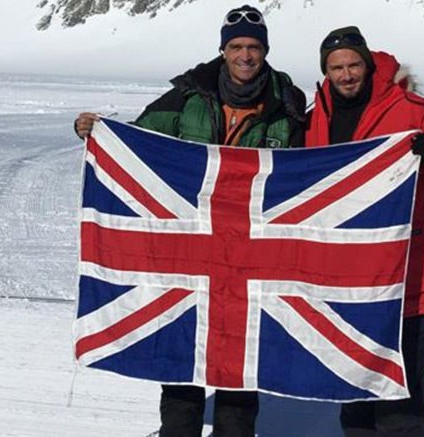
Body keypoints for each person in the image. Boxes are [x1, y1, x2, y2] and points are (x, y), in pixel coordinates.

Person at [74, 5, 306, 437]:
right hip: (191, 250)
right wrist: (99, 133)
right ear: (223, 49)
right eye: (236, 46)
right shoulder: (189, 95)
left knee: (241, 364)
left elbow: (308, 170)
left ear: (266, 50)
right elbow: (141, 140)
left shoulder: (287, 105)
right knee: (183, 358)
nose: (245, 56)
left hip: (250, 255)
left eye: (253, 47)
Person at [305, 26, 424, 437]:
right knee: (354, 377)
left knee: (402, 384)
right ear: (326, 72)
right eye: (336, 68)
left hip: (405, 271)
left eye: (353, 65)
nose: (346, 75)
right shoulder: (315, 119)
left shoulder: (410, 108)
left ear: (367, 64)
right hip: (346, 275)